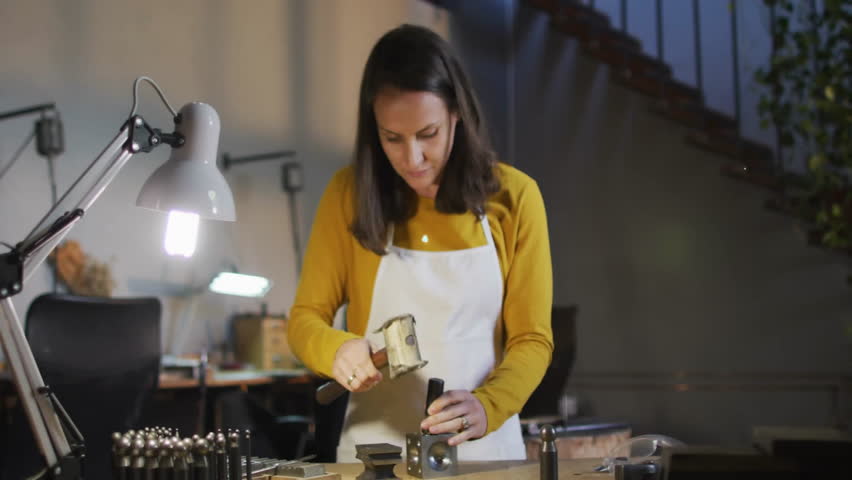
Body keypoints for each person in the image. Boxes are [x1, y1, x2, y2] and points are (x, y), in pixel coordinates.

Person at [288, 24, 553, 462]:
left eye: (427, 134)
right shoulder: (348, 195)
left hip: (484, 452)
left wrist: (488, 406)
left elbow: (532, 339)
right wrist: (336, 351)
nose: (411, 158)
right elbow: (304, 319)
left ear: (457, 114)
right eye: (392, 138)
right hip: (376, 455)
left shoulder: (515, 197)